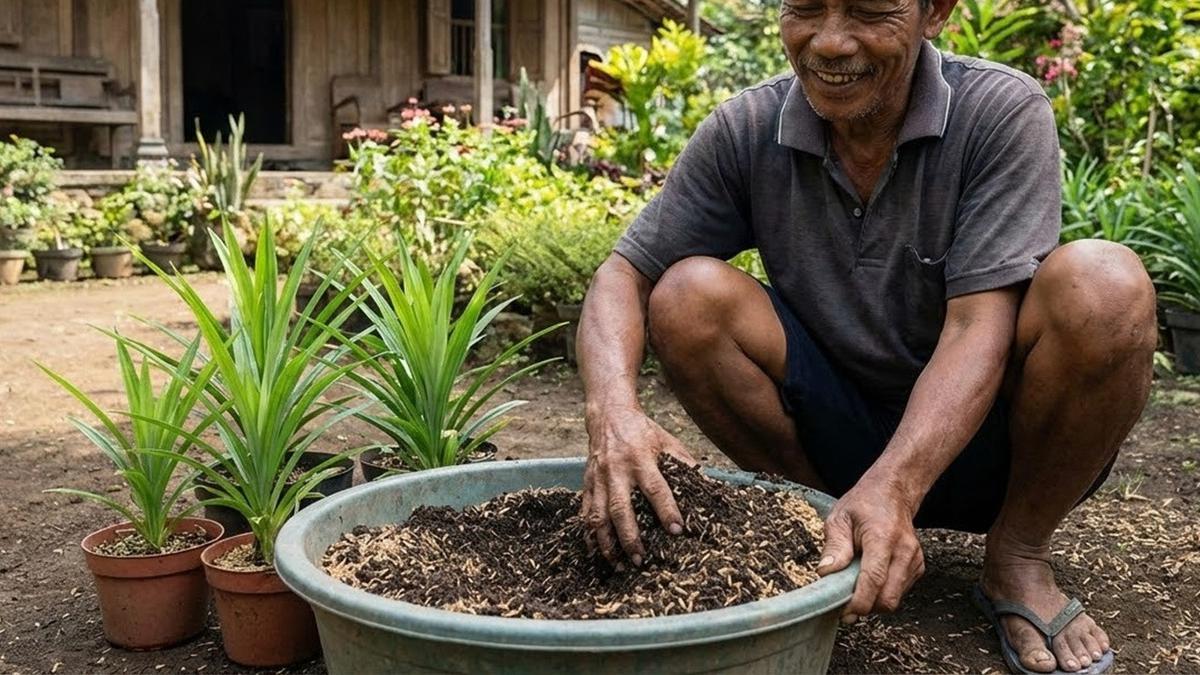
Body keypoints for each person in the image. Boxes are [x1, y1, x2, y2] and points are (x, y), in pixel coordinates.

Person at [575, 0, 1157, 673]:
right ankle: (824, 526)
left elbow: (978, 324)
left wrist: (898, 486)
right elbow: (624, 273)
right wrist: (612, 412)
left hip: (990, 442)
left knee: (1105, 282)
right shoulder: (749, 126)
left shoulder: (999, 112)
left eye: (869, 11)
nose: (829, 42)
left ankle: (1017, 555)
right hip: (832, 436)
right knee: (685, 294)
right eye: (805, 9)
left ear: (935, 11)